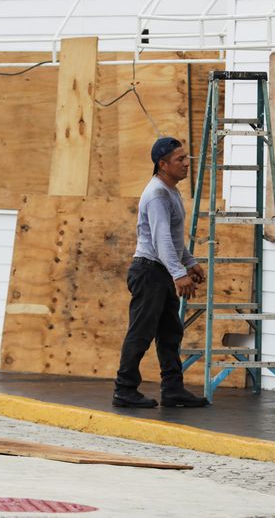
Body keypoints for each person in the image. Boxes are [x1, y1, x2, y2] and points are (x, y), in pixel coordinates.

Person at [112, 136, 209, 409]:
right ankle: (124, 389)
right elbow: (160, 239)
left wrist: (189, 262)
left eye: (186, 157)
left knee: (170, 332)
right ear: (162, 164)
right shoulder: (156, 193)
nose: (186, 163)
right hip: (149, 271)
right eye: (180, 159)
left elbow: (174, 236)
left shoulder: (170, 190)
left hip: (162, 270)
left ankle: (173, 389)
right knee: (141, 332)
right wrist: (179, 274)